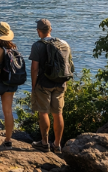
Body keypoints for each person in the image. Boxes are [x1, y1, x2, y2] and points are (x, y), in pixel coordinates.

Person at [29, 19, 68, 153]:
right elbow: (69, 66)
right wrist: (64, 83)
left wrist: (33, 86)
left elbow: (34, 68)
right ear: (50, 30)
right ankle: (57, 145)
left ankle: (44, 143)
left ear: (38, 31)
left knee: (43, 112)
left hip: (44, 84)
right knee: (58, 114)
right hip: (60, 83)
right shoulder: (64, 44)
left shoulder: (37, 45)